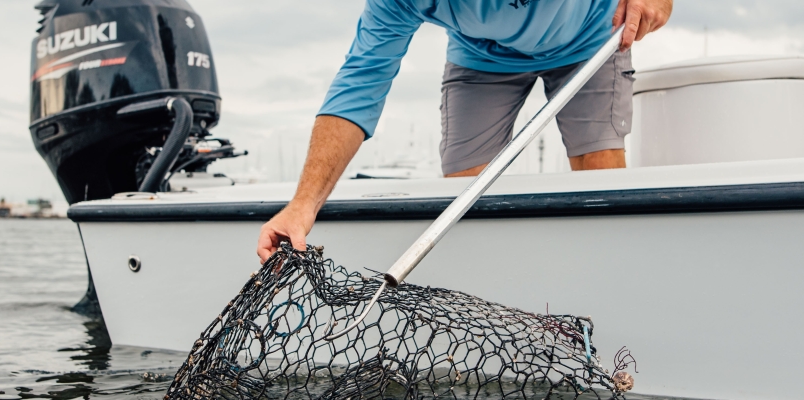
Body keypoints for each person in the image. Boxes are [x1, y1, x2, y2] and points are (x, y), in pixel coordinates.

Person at [258, 0, 674, 261]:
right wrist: (303, 205)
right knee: (463, 196)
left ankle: (607, 273)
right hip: (482, 59)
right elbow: (360, 84)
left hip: (591, 37)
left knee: (600, 174)